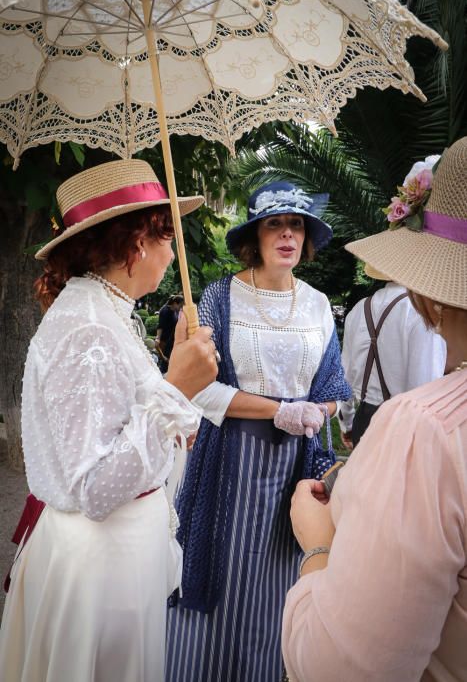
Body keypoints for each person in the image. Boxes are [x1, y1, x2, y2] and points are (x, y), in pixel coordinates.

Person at [0, 159, 219, 682]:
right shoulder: (89, 329)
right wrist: (174, 389)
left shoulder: (106, 312)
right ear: (139, 241)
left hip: (117, 558)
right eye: (170, 236)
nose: (173, 252)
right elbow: (96, 486)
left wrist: (173, 379)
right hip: (102, 567)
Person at [282, 138, 467, 682]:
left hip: (380, 422)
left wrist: (318, 545)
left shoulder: (426, 428)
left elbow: (340, 669)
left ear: (430, 292)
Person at [166, 181, 351, 682]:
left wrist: (316, 411)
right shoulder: (218, 297)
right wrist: (279, 411)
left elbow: (336, 387)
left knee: (276, 580)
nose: (287, 234)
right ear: (256, 236)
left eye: (296, 225)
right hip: (230, 462)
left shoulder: (318, 304)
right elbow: (200, 391)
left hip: (294, 466)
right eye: (275, 223)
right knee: (222, 575)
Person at [338, 262, 446, 449]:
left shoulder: (358, 310)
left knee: (363, 479)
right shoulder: (423, 313)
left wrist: (346, 423)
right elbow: (427, 386)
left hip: (363, 421)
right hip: (404, 426)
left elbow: (344, 376)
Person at [156, 295, 184, 373]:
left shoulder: (174, 311)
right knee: (165, 364)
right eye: (180, 305)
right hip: (165, 341)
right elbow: (160, 326)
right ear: (175, 303)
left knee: (170, 364)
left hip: (171, 341)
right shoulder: (165, 311)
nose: (181, 308)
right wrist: (158, 338)